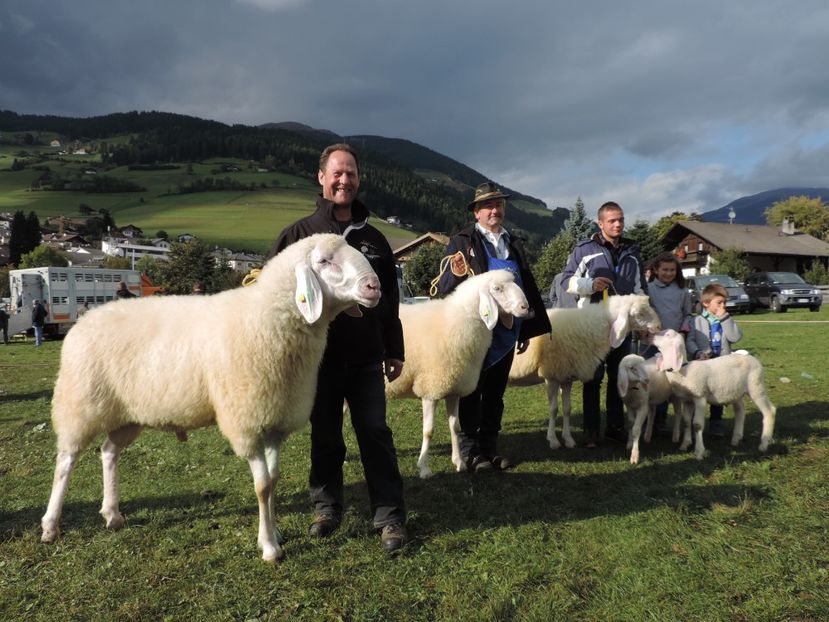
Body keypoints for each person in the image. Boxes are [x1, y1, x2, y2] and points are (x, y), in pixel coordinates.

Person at [268, 143, 407, 552]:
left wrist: (393, 349)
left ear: (358, 180)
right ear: (322, 178)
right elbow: (273, 296)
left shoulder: (375, 241)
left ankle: (390, 516)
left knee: (375, 432)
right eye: (337, 173)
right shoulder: (298, 237)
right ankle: (326, 508)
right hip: (318, 361)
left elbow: (389, 300)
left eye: (351, 173)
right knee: (325, 435)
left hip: (365, 356)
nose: (344, 180)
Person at [436, 182, 551, 471]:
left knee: (496, 394)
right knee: (472, 391)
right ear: (476, 212)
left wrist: (524, 330)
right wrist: (454, 272)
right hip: (477, 332)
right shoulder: (462, 241)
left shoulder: (514, 242)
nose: (494, 210)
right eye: (487, 205)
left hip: (507, 331)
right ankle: (471, 452)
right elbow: (444, 289)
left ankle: (490, 448)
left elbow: (525, 288)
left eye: (498, 204)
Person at [560, 201, 647, 448]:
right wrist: (590, 285)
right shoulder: (584, 250)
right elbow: (567, 280)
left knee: (618, 376)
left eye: (620, 219)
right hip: (593, 327)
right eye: (612, 221)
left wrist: (640, 321)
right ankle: (590, 431)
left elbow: (641, 290)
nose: (618, 224)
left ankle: (615, 427)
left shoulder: (633, 252)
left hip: (623, 327)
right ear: (601, 223)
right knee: (593, 378)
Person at [643, 252, 693, 436]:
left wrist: (684, 329)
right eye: (665, 269)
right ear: (656, 270)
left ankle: (663, 421)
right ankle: (647, 419)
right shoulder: (648, 289)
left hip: (673, 344)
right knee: (653, 381)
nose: (668, 273)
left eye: (672, 270)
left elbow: (688, 313)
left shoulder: (682, 291)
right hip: (652, 342)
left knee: (671, 380)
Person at [685, 282, 743, 438]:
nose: (723, 305)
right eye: (719, 302)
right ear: (706, 303)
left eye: (724, 302)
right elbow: (690, 340)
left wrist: (725, 318)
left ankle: (716, 423)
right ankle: (693, 424)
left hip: (722, 364)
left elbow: (735, 337)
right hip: (702, 365)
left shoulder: (726, 320)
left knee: (718, 394)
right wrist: (697, 353)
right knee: (698, 394)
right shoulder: (695, 321)